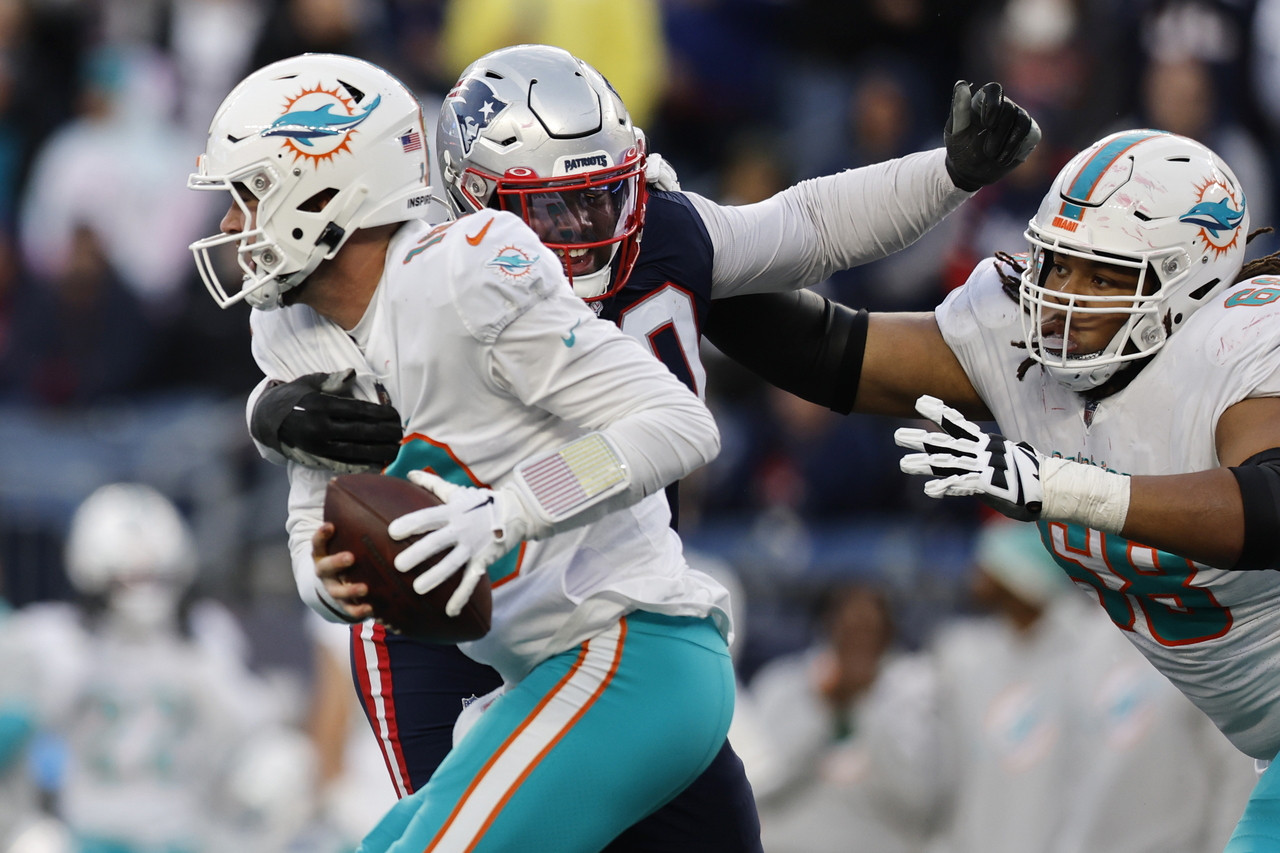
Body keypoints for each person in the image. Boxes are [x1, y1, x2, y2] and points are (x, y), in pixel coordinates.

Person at [242, 44, 1041, 852]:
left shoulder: (653, 232)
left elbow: (805, 227)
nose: (587, 232)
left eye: (603, 197)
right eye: (554, 210)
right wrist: (271, 408)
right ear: (469, 197)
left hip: (611, 599)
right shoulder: (433, 267)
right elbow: (314, 333)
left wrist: (950, 173)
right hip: (451, 606)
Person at [191, 52, 742, 853]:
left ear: (323, 191)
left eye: (248, 194)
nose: (228, 225)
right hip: (540, 679)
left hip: (634, 650)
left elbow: (681, 423)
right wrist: (328, 579)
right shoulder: (290, 325)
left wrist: (507, 513)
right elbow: (313, 520)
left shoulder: (466, 271)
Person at [703, 128, 1280, 848]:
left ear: (1189, 282)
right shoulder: (1022, 340)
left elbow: (1270, 507)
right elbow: (829, 352)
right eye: (1059, 265)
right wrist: (687, 258)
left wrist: (1062, 486)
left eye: (1104, 278)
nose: (1064, 301)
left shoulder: (1241, 343)